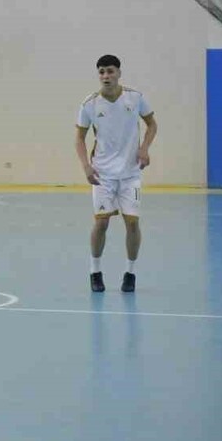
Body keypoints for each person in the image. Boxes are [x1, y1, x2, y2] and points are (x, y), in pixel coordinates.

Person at [76, 55, 157, 293]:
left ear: (119, 73)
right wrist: (86, 166)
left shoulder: (135, 97)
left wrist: (144, 149)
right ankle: (95, 271)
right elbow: (79, 137)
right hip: (103, 174)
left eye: (110, 71)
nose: (105, 76)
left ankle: (130, 274)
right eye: (101, 72)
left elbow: (152, 124)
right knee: (101, 223)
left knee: (132, 224)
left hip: (131, 173)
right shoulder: (89, 104)